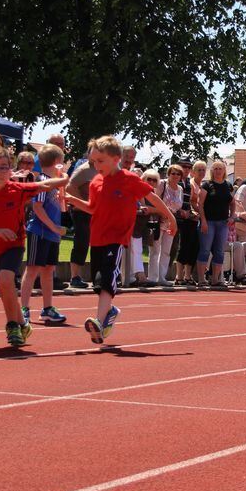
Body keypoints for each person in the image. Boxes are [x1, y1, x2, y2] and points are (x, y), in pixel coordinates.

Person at [62, 136, 176, 344]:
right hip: (97, 238)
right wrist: (74, 201)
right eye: (94, 161)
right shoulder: (96, 181)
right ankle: (109, 313)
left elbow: (152, 198)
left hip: (116, 238)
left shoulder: (129, 179)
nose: (96, 166)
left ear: (116, 159)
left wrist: (170, 217)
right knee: (98, 282)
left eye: (101, 161)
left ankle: (98, 320)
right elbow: (93, 208)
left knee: (107, 278)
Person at [0, 146, 69, 346]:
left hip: (14, 244)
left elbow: (46, 185)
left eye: (3, 167)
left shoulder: (17, 190)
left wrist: (63, 178)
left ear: (10, 171)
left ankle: (12, 324)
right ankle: (21, 322)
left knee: (6, 278)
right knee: (4, 288)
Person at [20, 144, 69, 325]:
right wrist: (53, 227)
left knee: (48, 270)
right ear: (57, 162)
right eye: (62, 163)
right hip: (39, 232)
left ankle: (47, 308)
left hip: (51, 234)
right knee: (32, 269)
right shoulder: (43, 181)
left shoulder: (55, 184)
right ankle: (23, 309)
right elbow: (37, 207)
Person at [196, 160, 234, 287]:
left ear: (224, 170)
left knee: (219, 251)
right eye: (215, 168)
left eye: (220, 168)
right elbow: (200, 204)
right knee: (205, 250)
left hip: (223, 223)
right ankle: (201, 279)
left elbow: (233, 202)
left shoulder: (228, 185)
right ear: (212, 171)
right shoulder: (207, 185)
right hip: (209, 222)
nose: (218, 171)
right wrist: (204, 221)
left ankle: (215, 279)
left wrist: (232, 216)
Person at [149, 165, 183, 286]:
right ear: (168, 174)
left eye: (178, 174)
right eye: (173, 173)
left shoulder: (180, 189)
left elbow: (178, 206)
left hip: (171, 223)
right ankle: (152, 277)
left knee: (166, 251)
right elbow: (154, 201)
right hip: (159, 221)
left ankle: (161, 277)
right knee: (155, 250)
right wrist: (163, 212)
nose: (175, 176)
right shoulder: (162, 184)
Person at [66, 156, 98, 289]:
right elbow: (69, 187)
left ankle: (98, 276)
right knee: (82, 242)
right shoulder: (83, 169)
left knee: (98, 244)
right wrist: (83, 203)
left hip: (98, 212)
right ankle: (75, 276)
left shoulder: (103, 169)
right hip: (81, 212)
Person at [173, 158, 199, 286]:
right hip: (177, 217)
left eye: (189, 167)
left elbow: (192, 201)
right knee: (182, 246)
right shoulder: (174, 180)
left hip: (189, 217)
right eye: (184, 166)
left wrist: (194, 212)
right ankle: (178, 276)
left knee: (193, 246)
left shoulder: (189, 182)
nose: (187, 169)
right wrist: (181, 211)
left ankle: (187, 275)